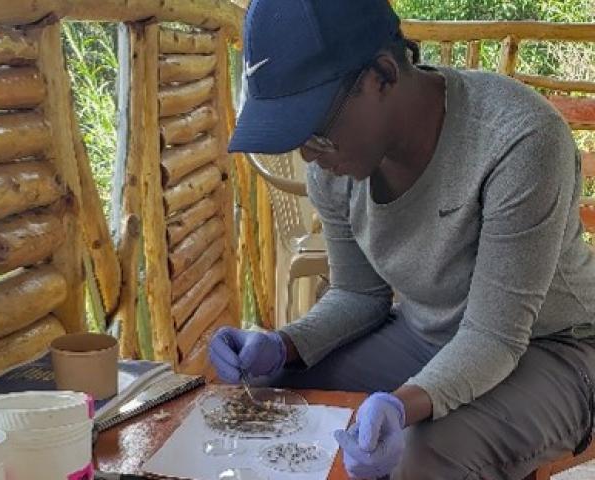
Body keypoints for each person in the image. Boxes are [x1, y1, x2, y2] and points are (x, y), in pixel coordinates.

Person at [209, 0, 595, 478]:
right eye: (295, 138)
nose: (310, 156)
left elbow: (494, 336)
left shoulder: (519, 141)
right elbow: (358, 295)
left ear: (384, 76)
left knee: (424, 453)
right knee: (276, 389)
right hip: (427, 334)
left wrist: (401, 405)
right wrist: (282, 345)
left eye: (317, 132)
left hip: (554, 348)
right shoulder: (334, 171)